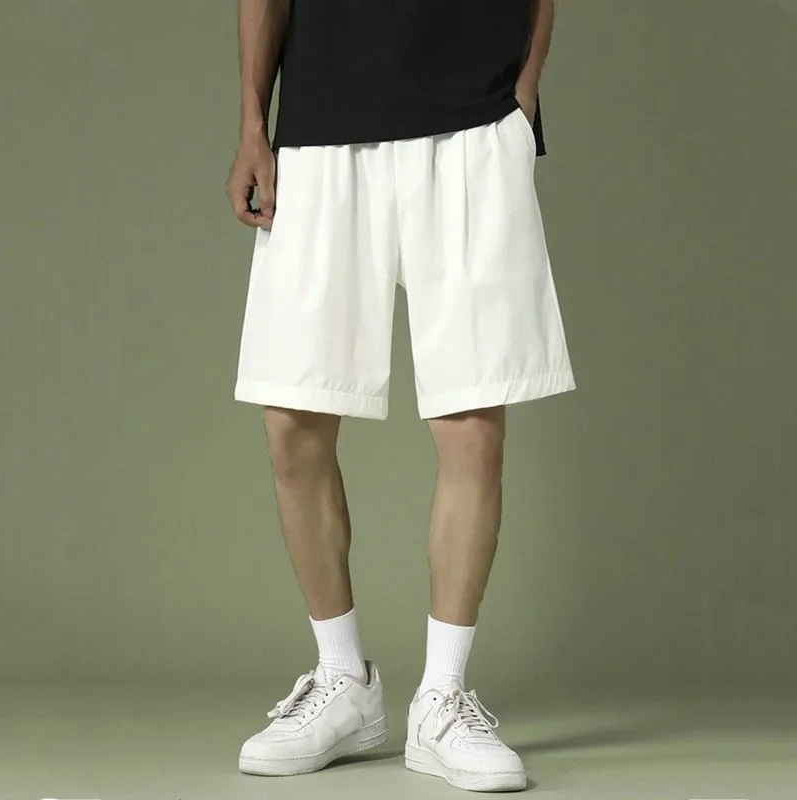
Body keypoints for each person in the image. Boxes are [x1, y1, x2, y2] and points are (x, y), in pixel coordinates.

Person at [225, 0, 574, 792]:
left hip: (473, 123)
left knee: (472, 419)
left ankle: (442, 698)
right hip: (319, 123)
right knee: (293, 417)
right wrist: (252, 121)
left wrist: (523, 93)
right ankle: (343, 680)